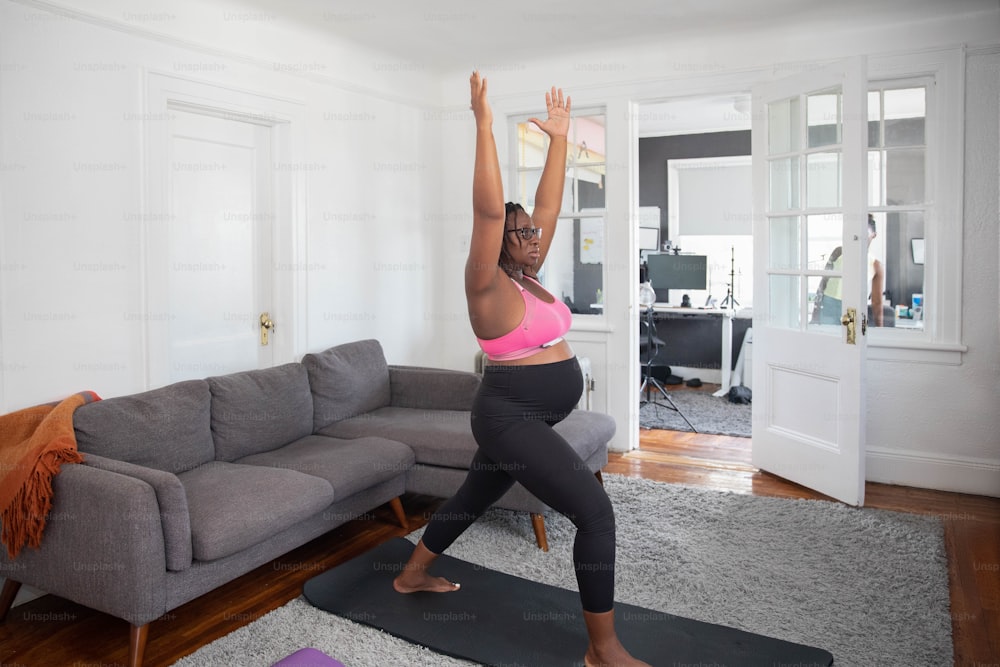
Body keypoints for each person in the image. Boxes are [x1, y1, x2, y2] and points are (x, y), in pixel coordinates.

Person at [392, 71, 650, 667]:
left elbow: (549, 202)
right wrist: (484, 124)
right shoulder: (485, 283)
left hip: (526, 413)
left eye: (532, 231)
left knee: (474, 494)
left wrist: (560, 138)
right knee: (594, 512)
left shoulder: (529, 272)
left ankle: (411, 575)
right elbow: (488, 211)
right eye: (520, 233)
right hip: (508, 416)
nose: (533, 236)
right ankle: (602, 650)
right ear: (499, 244)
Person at [814, 215, 884, 326]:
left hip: (855, 308)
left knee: (852, 340)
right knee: (827, 339)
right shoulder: (839, 252)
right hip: (829, 305)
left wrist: (880, 329)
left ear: (873, 235)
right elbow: (823, 282)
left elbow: (877, 302)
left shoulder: (876, 265)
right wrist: (815, 311)